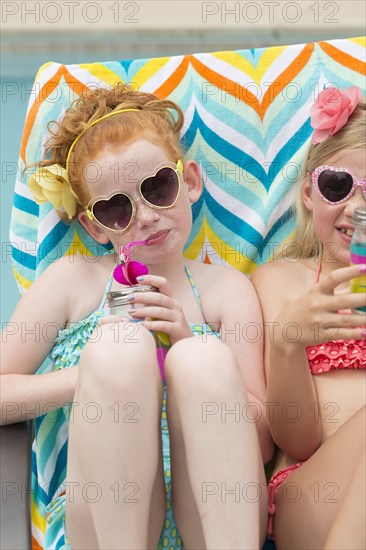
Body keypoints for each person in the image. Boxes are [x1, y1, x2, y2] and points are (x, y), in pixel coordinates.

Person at [1, 84, 273, 550]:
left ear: (189, 181)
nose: (145, 216)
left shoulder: (226, 289)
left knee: (203, 358)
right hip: (107, 517)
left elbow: (264, 440)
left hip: (211, 510)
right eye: (116, 208)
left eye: (158, 188)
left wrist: (186, 343)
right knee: (119, 350)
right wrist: (87, 375)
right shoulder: (73, 281)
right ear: (94, 226)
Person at [251, 86, 366, 550]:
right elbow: (296, 441)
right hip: (308, 496)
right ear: (309, 193)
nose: (356, 209)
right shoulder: (280, 282)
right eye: (338, 186)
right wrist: (286, 340)